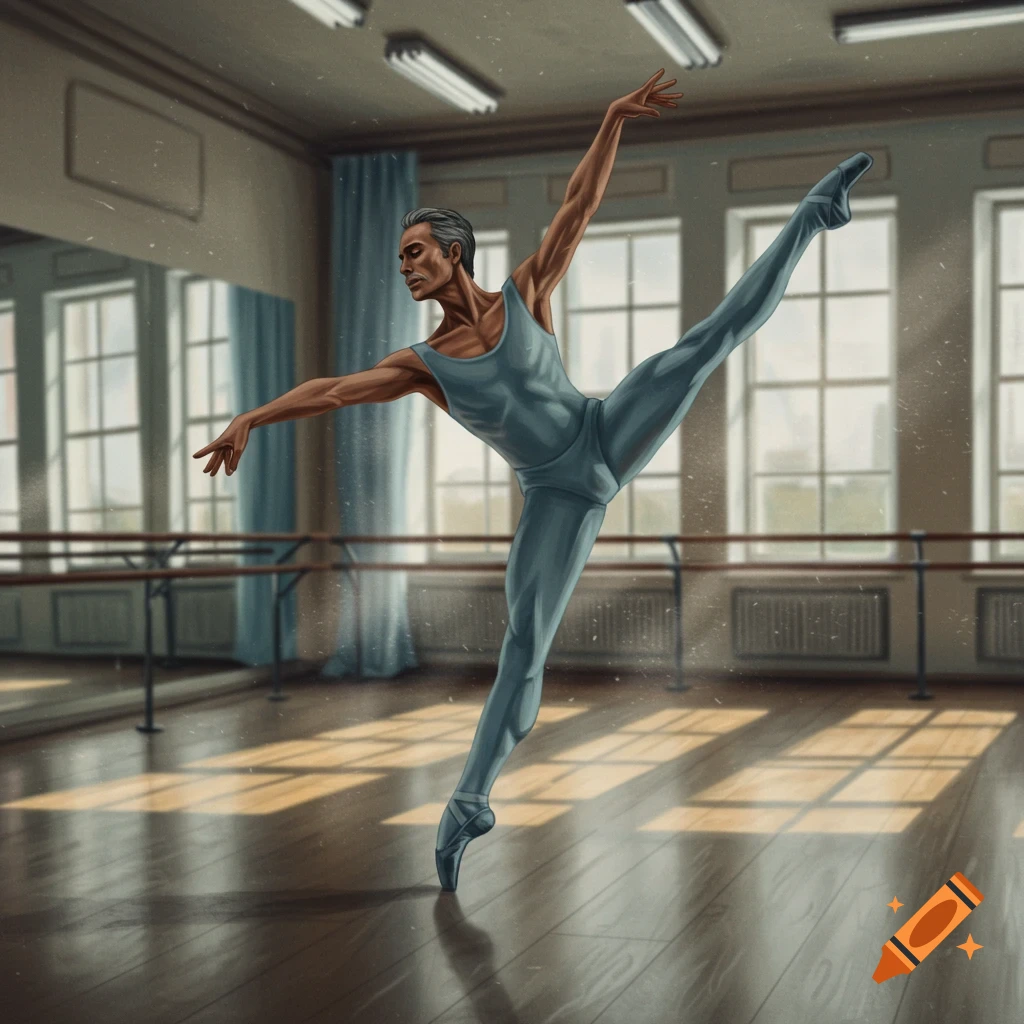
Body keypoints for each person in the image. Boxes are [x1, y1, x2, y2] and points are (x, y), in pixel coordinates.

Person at [194, 70, 873, 892]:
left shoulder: (523, 291)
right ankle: (469, 802)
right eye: (400, 258)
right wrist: (253, 419)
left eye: (415, 253)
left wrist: (614, 116)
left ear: (452, 253)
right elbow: (332, 391)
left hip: (603, 429)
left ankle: (811, 215)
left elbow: (578, 206)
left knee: (702, 344)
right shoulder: (420, 365)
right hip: (557, 492)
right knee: (524, 649)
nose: (405, 268)